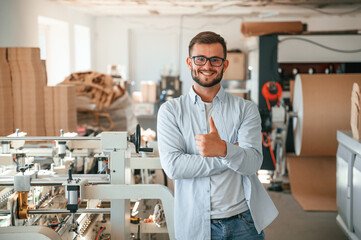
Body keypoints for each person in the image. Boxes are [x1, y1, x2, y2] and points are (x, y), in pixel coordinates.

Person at [157, 31, 278, 240]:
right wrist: (229, 153)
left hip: (243, 223)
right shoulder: (171, 111)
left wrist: (222, 149)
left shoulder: (245, 109)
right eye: (200, 58)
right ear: (189, 62)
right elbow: (174, 167)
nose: (207, 65)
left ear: (225, 64)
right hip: (195, 223)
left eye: (215, 60)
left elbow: (252, 164)